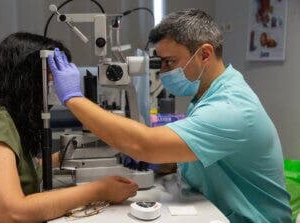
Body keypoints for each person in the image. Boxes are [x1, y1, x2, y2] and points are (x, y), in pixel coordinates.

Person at [47, 9, 292, 222]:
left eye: (169, 62)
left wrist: (73, 98)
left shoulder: (232, 108)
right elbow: (210, 155)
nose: (163, 72)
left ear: (205, 54)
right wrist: (169, 162)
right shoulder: (211, 94)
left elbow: (144, 144)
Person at [0, 32, 138, 222]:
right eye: (53, 78)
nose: (56, 87)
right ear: (28, 79)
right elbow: (12, 213)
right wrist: (100, 190)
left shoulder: (7, 114)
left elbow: (15, 167)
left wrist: (59, 159)